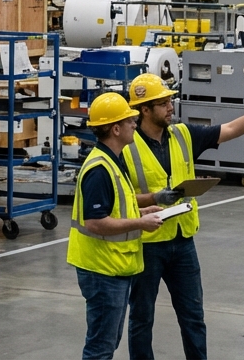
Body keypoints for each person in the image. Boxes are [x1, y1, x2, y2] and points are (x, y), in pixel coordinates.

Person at [122, 73, 244, 360]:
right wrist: (153, 198)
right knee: (141, 319)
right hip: (147, 242)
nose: (171, 107)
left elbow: (229, 130)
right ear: (144, 110)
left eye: (169, 101)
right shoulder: (126, 147)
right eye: (163, 103)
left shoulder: (183, 135)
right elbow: (119, 199)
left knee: (193, 317)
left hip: (183, 241)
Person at [71, 92, 165, 360]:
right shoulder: (99, 169)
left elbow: (116, 204)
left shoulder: (113, 159)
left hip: (112, 268)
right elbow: (96, 222)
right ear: (115, 128)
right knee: (100, 348)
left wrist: (142, 210)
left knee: (107, 343)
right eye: (129, 120)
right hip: (101, 270)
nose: (135, 123)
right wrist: (140, 222)